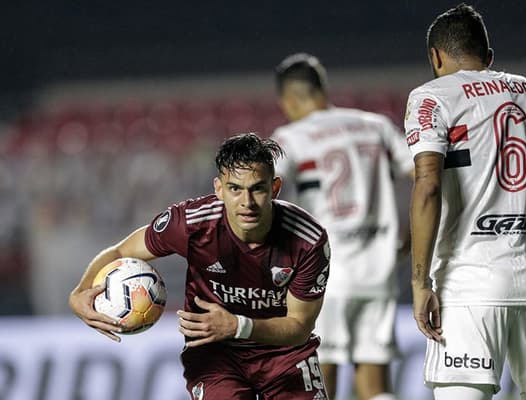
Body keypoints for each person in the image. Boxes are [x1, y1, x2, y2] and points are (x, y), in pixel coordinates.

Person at [404, 4, 526, 400]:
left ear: (436, 56)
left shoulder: (431, 97)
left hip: (467, 288)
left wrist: (419, 281)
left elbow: (428, 186)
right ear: (489, 57)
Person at [68, 133, 332, 400]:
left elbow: (299, 326)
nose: (247, 202)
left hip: (284, 354)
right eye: (235, 189)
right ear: (219, 189)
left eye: (258, 189)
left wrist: (238, 325)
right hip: (215, 354)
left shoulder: (307, 240)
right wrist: (79, 292)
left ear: (274, 188)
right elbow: (122, 250)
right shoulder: (191, 224)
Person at [271, 53, 414, 400]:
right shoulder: (375, 125)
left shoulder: (292, 136)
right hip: (379, 270)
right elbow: (421, 175)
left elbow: (263, 190)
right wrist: (409, 238)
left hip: (323, 276)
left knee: (320, 380)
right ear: (322, 89)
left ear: (288, 100)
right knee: (375, 386)